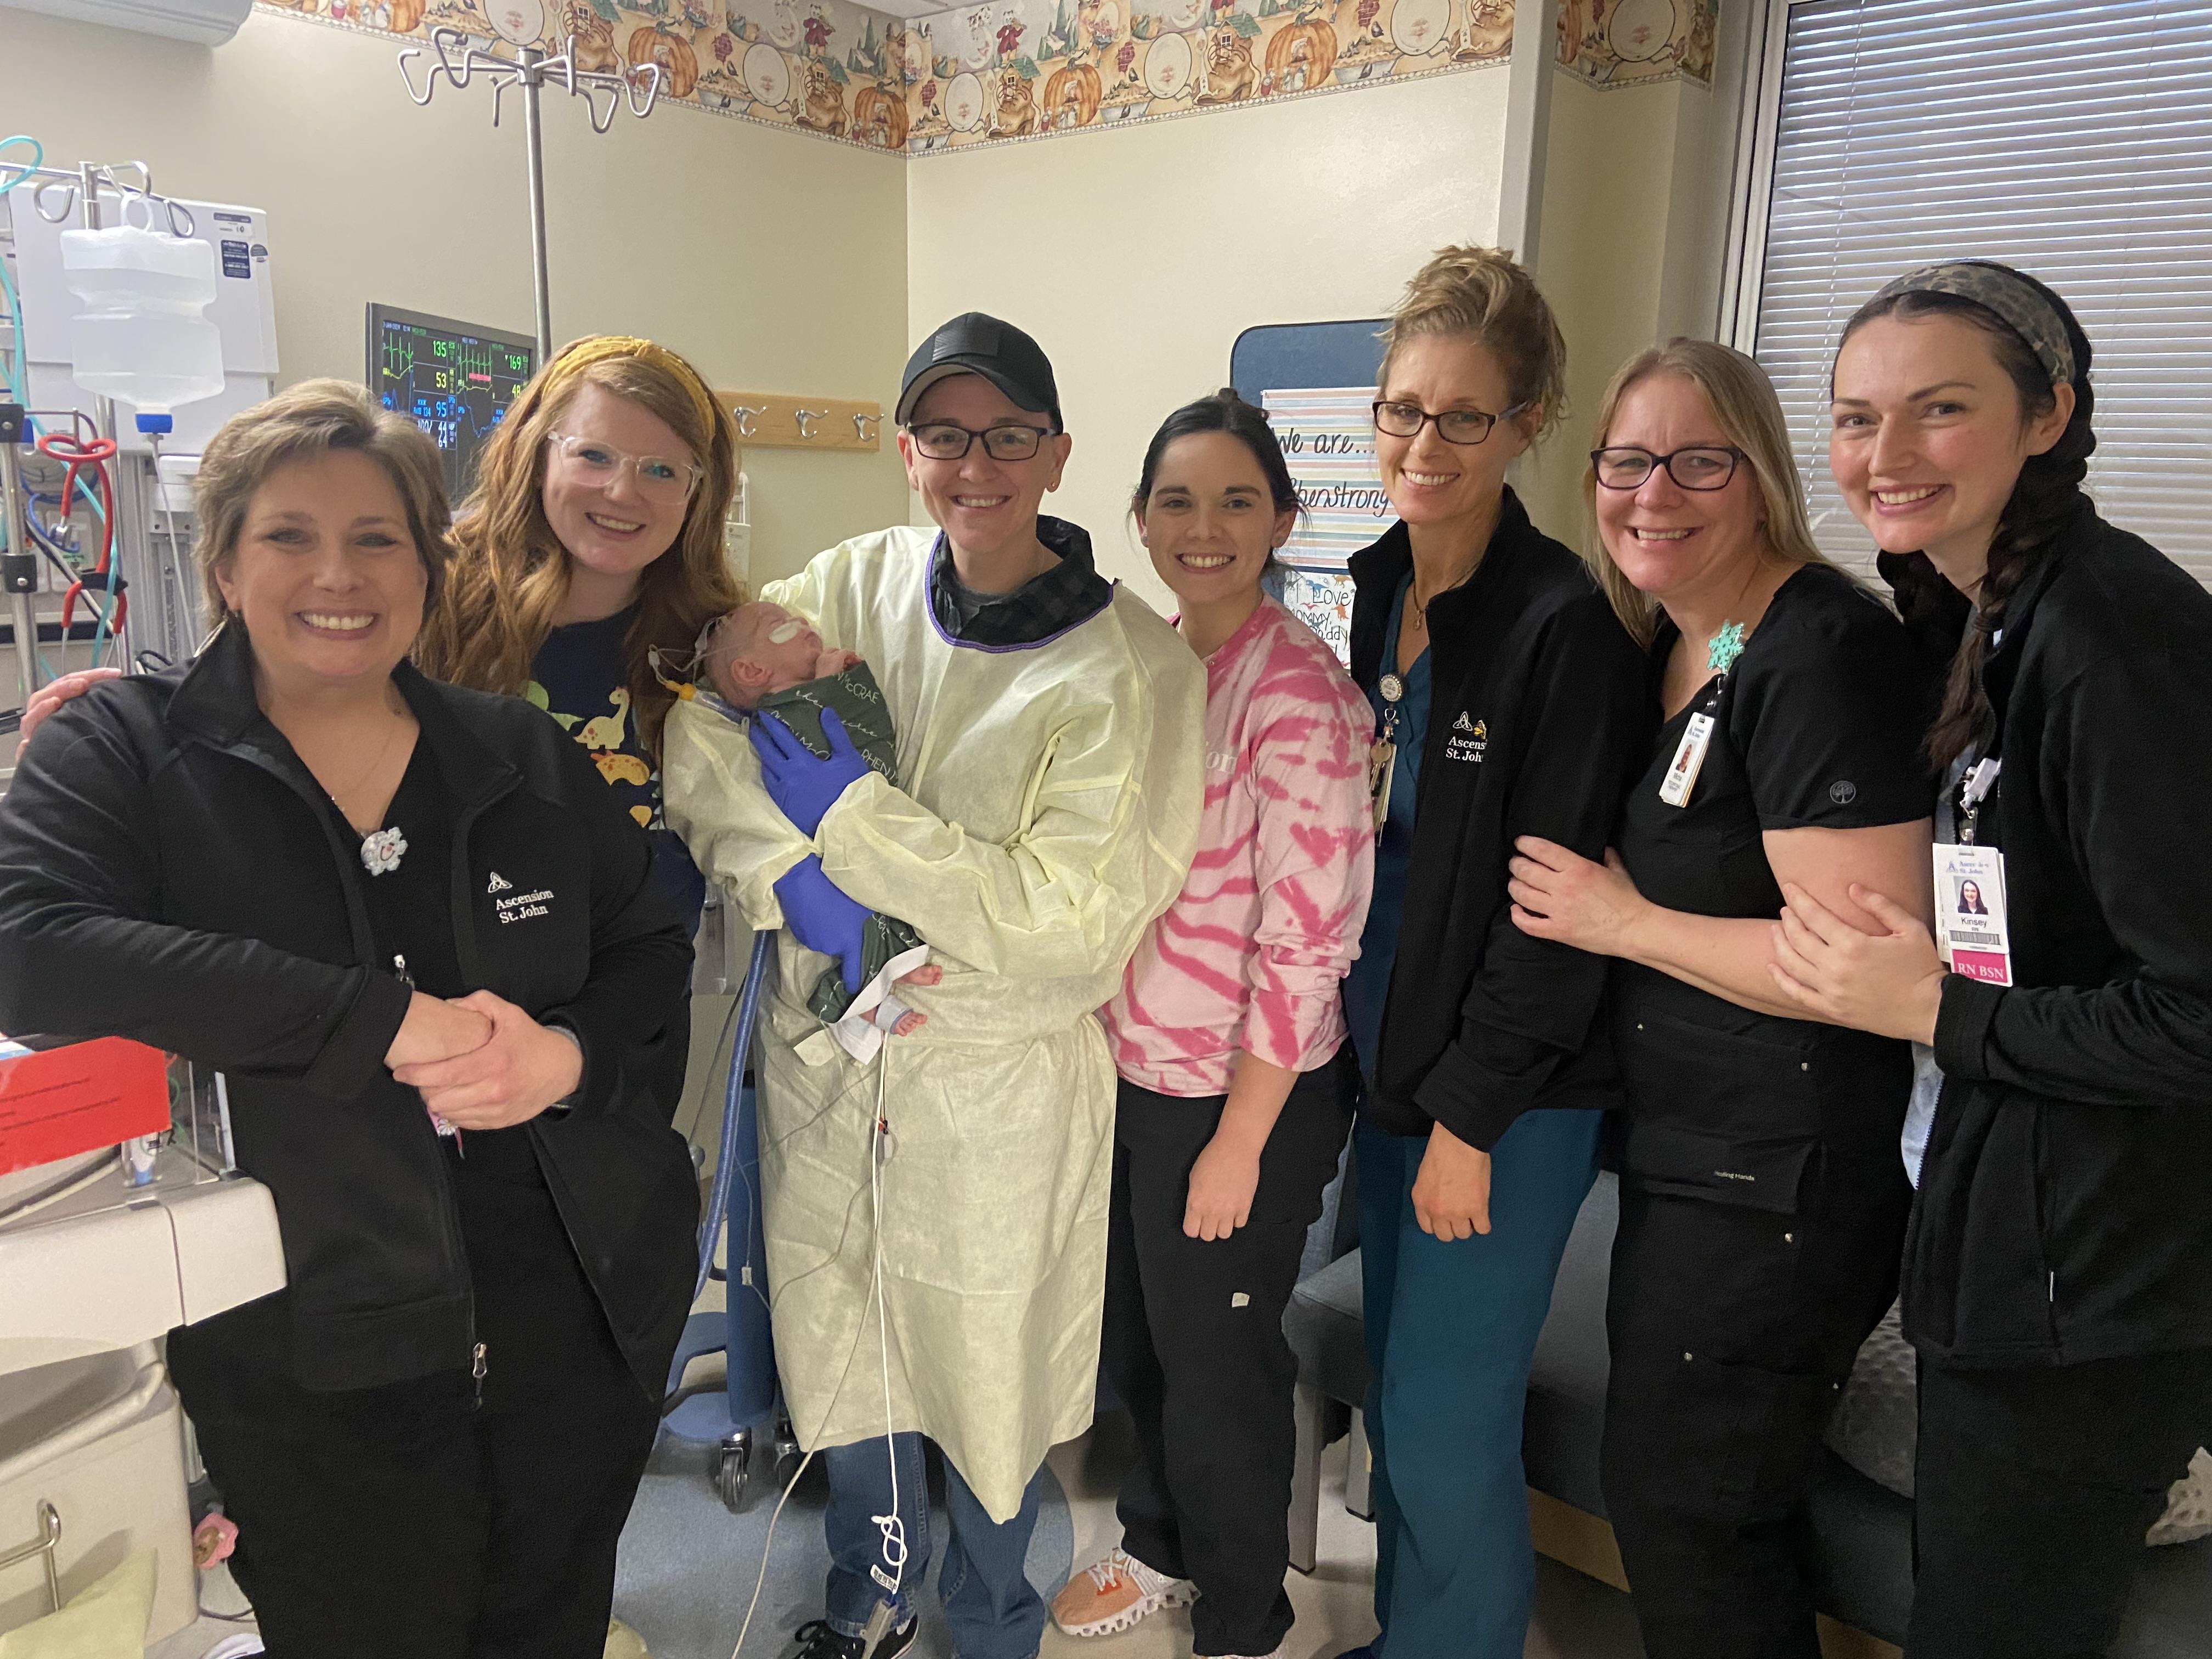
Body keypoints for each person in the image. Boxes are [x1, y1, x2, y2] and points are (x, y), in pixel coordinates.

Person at [0, 381, 698, 1658]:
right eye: (290, 535)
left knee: (550, 1626)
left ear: (428, 567)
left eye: (379, 538)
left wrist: (567, 1058)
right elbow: (28, 951)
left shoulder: (515, 755)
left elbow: (649, 948)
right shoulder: (126, 751)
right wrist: (372, 1021)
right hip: (308, 1350)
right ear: (223, 564)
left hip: (577, 1322)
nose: (340, 574)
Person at [663, 312, 1206, 1659]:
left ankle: (992, 1611)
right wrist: (789, 876)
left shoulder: (1133, 667)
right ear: (908, 453)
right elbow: (704, 724)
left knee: (984, 1378)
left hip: (991, 1092)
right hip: (834, 1062)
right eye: (945, 436)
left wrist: (854, 821)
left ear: (1057, 453)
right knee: (851, 1348)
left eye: (1009, 435)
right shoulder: (852, 585)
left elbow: (1069, 918)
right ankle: (871, 1589)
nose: (977, 465)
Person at [1767, 260, 2212, 1659]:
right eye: (1856, 418)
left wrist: (1938, 1012)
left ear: (2048, 415)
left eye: (1940, 409)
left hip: (2099, 1286)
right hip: (2008, 1232)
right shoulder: (1967, 612)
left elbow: (2196, 1015)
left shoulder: (2112, 640)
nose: (1886, 454)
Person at [1506, 338, 1932, 1659]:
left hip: (1783, 1176)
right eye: (1628, 462)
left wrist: (1622, 921)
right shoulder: (1701, 639)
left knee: (1690, 1513)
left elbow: (1859, 976)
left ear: (1762, 479)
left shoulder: (1822, 654)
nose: (1654, 494)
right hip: (1696, 1153)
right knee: (1700, 1504)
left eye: (1700, 462)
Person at [1333, 247, 1647, 1659]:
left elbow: (1554, 920)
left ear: (1529, 424)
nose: (1425, 444)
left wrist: (1468, 1124)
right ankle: (1414, 1636)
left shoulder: (1563, 629)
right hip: (1389, 1061)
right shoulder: (1377, 590)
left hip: (1506, 1098)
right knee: (1401, 1396)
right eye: (1404, 410)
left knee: (1443, 1417)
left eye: (1464, 416)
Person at [1048, 392, 1374, 1659]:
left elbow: (1309, 947)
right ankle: (1162, 1546)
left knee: (1219, 1369)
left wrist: (1240, 1142)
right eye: (1177, 500)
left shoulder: (1297, 697)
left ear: (1283, 519)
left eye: (1238, 500)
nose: (1205, 526)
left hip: (1245, 1096)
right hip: (1137, 1074)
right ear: (1139, 520)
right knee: (1142, 1346)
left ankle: (1244, 1621)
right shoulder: (1149, 668)